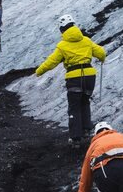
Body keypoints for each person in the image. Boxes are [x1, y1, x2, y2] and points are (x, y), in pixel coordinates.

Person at [33, 14, 105, 144]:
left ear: (62, 29)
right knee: (85, 101)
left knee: (74, 107)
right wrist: (101, 59)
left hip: (74, 77)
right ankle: (87, 130)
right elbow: (101, 53)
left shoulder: (63, 45)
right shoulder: (86, 40)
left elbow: (51, 61)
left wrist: (39, 71)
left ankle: (75, 138)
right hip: (89, 76)